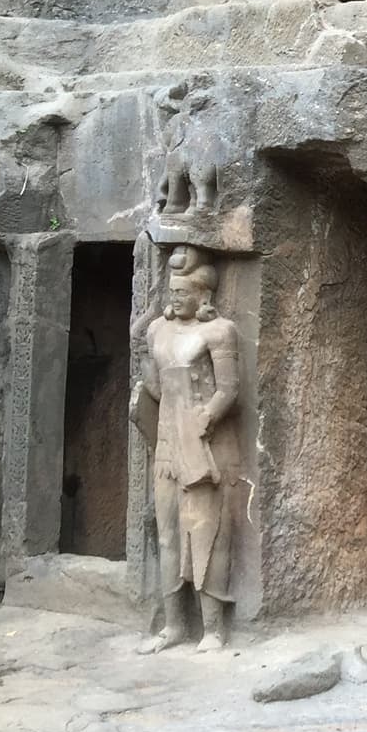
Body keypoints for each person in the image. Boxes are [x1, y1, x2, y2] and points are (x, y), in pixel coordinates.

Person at [132, 245, 241, 653]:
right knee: (167, 536)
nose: (174, 298)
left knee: (205, 533)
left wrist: (206, 418)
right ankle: (174, 626)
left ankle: (212, 628)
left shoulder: (219, 331)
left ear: (202, 295)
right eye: (172, 291)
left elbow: (230, 389)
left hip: (200, 441)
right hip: (166, 440)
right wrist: (142, 348)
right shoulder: (159, 330)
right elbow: (157, 389)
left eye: (182, 292)